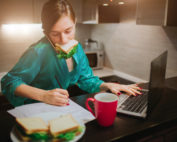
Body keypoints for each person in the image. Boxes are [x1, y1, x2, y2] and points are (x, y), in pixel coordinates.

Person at [1, 0, 141, 107]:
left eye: (68, 31)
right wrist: (44, 95)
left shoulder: (77, 48)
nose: (63, 40)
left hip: (59, 109)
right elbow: (8, 82)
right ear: (46, 32)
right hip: (35, 110)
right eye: (55, 34)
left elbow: (86, 79)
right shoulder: (38, 51)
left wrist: (107, 85)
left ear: (75, 22)